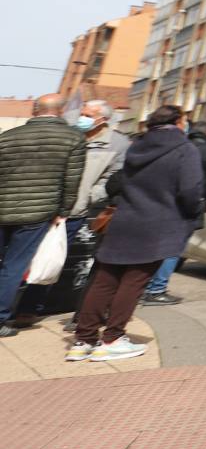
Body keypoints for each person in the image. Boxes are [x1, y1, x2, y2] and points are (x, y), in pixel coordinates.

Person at [71, 105, 203, 362]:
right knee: (133, 283)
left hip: (123, 220)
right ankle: (112, 338)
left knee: (104, 281)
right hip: (157, 225)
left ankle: (83, 340)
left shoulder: (136, 146)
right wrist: (191, 213)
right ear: (178, 122)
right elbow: (190, 190)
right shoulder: (185, 150)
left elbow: (119, 181)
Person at [15, 102, 126, 322]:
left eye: (87, 115)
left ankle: (28, 308)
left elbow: (111, 179)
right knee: (19, 257)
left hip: (73, 212)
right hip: (40, 204)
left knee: (50, 258)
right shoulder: (67, 132)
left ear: (102, 119)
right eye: (82, 113)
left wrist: (86, 197)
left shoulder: (117, 143)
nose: (81, 118)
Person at [0, 94, 85, 338]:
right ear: (61, 111)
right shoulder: (73, 138)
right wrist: (64, 212)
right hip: (37, 212)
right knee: (13, 266)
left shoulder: (8, 136)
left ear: (34, 110)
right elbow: (72, 180)